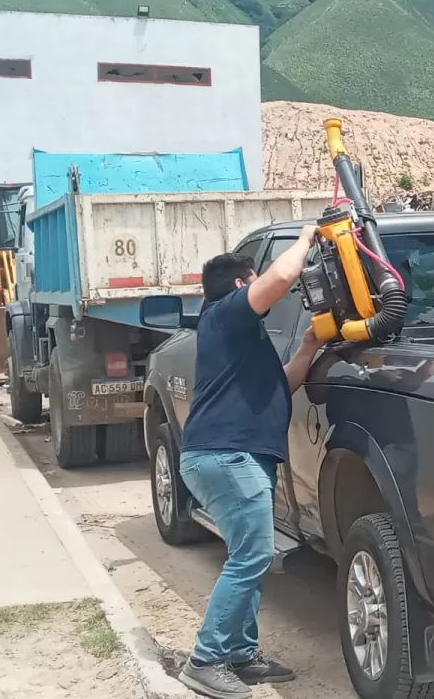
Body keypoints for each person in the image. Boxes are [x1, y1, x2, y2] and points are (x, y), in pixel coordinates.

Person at [177, 228, 328, 699]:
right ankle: (205, 660)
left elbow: (281, 386)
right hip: (227, 456)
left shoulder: (237, 336)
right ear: (243, 285)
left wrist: (307, 346)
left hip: (232, 456)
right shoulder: (225, 315)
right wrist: (307, 236)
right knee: (252, 556)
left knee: (249, 555)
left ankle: (240, 654)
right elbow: (283, 275)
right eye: (254, 279)